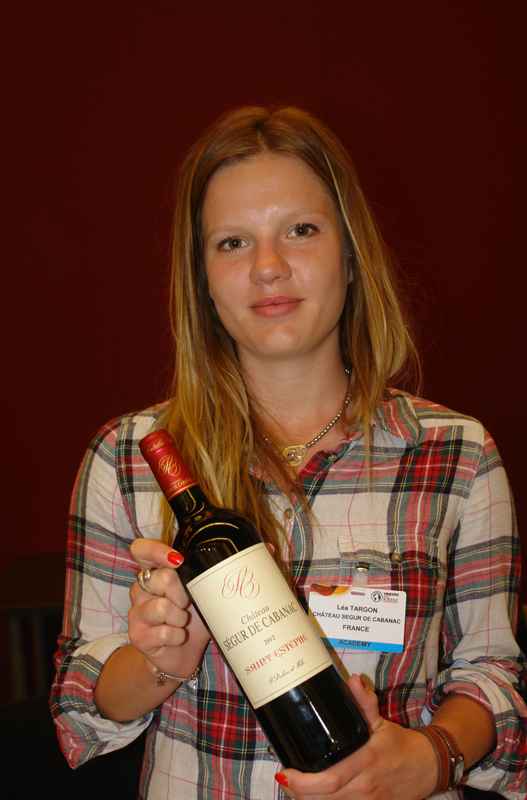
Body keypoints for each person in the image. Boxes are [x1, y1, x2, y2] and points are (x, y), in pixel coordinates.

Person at [50, 106, 527, 799]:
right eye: (232, 243)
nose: (268, 268)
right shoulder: (129, 459)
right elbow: (80, 703)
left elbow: (493, 674)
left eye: (300, 230)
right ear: (203, 279)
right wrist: (165, 656)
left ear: (352, 255)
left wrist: (432, 757)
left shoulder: (456, 454)